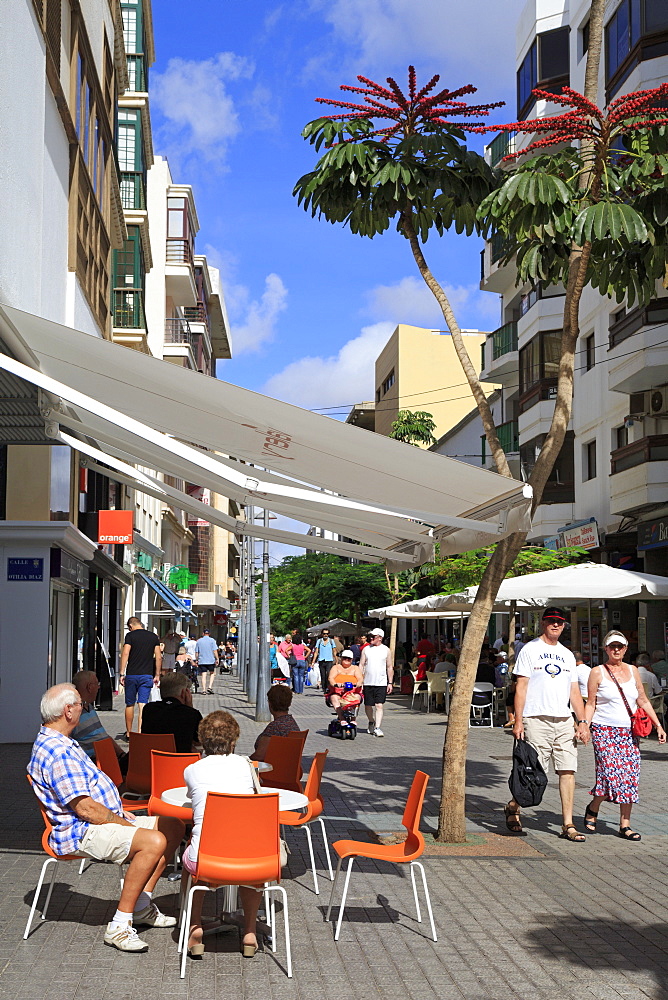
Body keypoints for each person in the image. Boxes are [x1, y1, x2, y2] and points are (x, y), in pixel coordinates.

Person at [28, 684, 184, 953]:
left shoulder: (61, 742)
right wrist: (122, 823)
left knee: (173, 825)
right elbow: (85, 809)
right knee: (154, 841)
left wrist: (119, 816)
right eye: (81, 705)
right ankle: (120, 925)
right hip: (80, 831)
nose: (83, 708)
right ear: (68, 711)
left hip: (97, 820)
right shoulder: (57, 752)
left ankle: (141, 906)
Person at [505, 607, 590, 841]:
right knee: (533, 773)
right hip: (536, 719)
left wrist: (581, 722)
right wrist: (518, 720)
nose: (556, 625)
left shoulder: (567, 655)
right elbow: (521, 686)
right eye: (551, 621)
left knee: (567, 770)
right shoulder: (530, 649)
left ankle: (568, 824)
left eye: (560, 623)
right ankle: (514, 806)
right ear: (543, 623)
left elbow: (574, 691)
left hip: (564, 721)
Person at [182, 711, 262, 959]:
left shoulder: (192, 770)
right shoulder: (246, 765)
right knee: (252, 861)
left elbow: (192, 800)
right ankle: (249, 931)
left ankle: (195, 926)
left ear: (202, 741)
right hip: (250, 861)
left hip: (207, 859)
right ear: (234, 741)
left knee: (190, 854)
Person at [584, 631, 666, 840]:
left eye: (620, 646)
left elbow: (643, 699)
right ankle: (594, 806)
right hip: (604, 730)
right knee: (610, 774)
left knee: (629, 777)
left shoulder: (633, 671)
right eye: (612, 646)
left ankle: (625, 825)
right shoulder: (597, 672)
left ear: (626, 649)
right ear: (606, 649)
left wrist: (658, 725)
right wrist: (584, 725)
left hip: (629, 732)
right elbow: (591, 703)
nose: (616, 650)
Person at [71, 671, 128, 775]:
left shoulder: (89, 708)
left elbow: (103, 736)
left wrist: (122, 755)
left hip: (108, 758)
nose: (98, 688)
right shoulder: (73, 713)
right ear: (89, 687)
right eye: (97, 684)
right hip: (95, 764)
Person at [120, 618, 162, 740]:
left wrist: (122, 673)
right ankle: (140, 732)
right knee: (143, 704)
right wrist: (157, 674)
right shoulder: (153, 637)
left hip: (132, 675)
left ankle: (129, 733)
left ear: (130, 626)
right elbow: (158, 657)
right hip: (146, 675)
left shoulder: (130, 636)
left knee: (129, 704)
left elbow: (126, 653)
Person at [141, 671, 203, 752]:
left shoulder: (149, 709)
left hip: (151, 760)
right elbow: (199, 740)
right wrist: (190, 708)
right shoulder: (192, 714)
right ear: (184, 693)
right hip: (179, 761)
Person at [250, 684, 300, 760]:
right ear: (289, 703)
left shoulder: (275, 727)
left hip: (271, 769)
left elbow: (259, 756)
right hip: (288, 769)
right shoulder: (292, 724)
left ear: (270, 704)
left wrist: (244, 761)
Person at [360, 627, 394, 738]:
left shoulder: (386, 650)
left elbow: (389, 666)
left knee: (379, 705)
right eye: (370, 636)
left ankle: (378, 727)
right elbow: (361, 665)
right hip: (368, 681)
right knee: (368, 706)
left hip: (381, 682)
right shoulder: (366, 649)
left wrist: (390, 682)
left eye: (373, 636)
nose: (371, 638)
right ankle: (371, 721)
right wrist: (359, 680)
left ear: (380, 638)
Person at [328, 651, 364, 726]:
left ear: (352, 659)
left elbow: (360, 678)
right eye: (344, 658)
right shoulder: (336, 667)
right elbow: (331, 678)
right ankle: (342, 719)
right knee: (334, 698)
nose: (346, 660)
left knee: (357, 697)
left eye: (349, 659)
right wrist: (335, 684)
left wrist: (358, 683)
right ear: (341, 658)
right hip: (338, 692)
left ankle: (353, 719)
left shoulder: (355, 668)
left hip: (352, 692)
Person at [195, 629, 219, 696]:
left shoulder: (199, 641)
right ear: (209, 633)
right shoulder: (212, 640)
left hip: (202, 660)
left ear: (203, 633)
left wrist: (197, 659)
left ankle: (203, 690)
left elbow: (197, 652)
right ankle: (210, 687)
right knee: (212, 673)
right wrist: (217, 659)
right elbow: (215, 651)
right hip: (211, 660)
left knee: (204, 675)